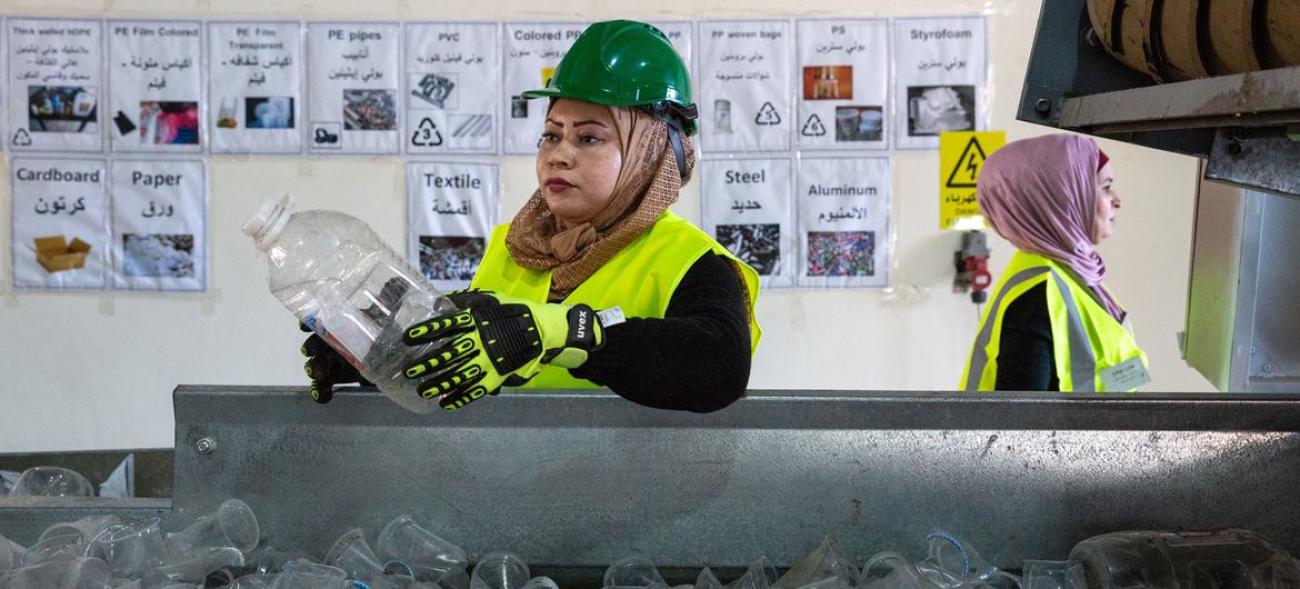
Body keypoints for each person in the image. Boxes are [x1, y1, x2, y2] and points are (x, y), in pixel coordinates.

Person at [302, 20, 762, 412]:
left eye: (589, 138)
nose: (558, 155)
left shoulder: (691, 260)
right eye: (551, 135)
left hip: (636, 490)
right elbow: (462, 367)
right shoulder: (515, 248)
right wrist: (380, 356)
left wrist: (566, 332)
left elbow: (719, 366)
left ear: (651, 152)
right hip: (513, 485)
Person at [960, 134, 1149, 392]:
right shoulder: (1036, 299)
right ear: (1064, 198)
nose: (1117, 200)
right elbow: (1022, 416)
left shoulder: (1076, 278)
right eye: (1105, 188)